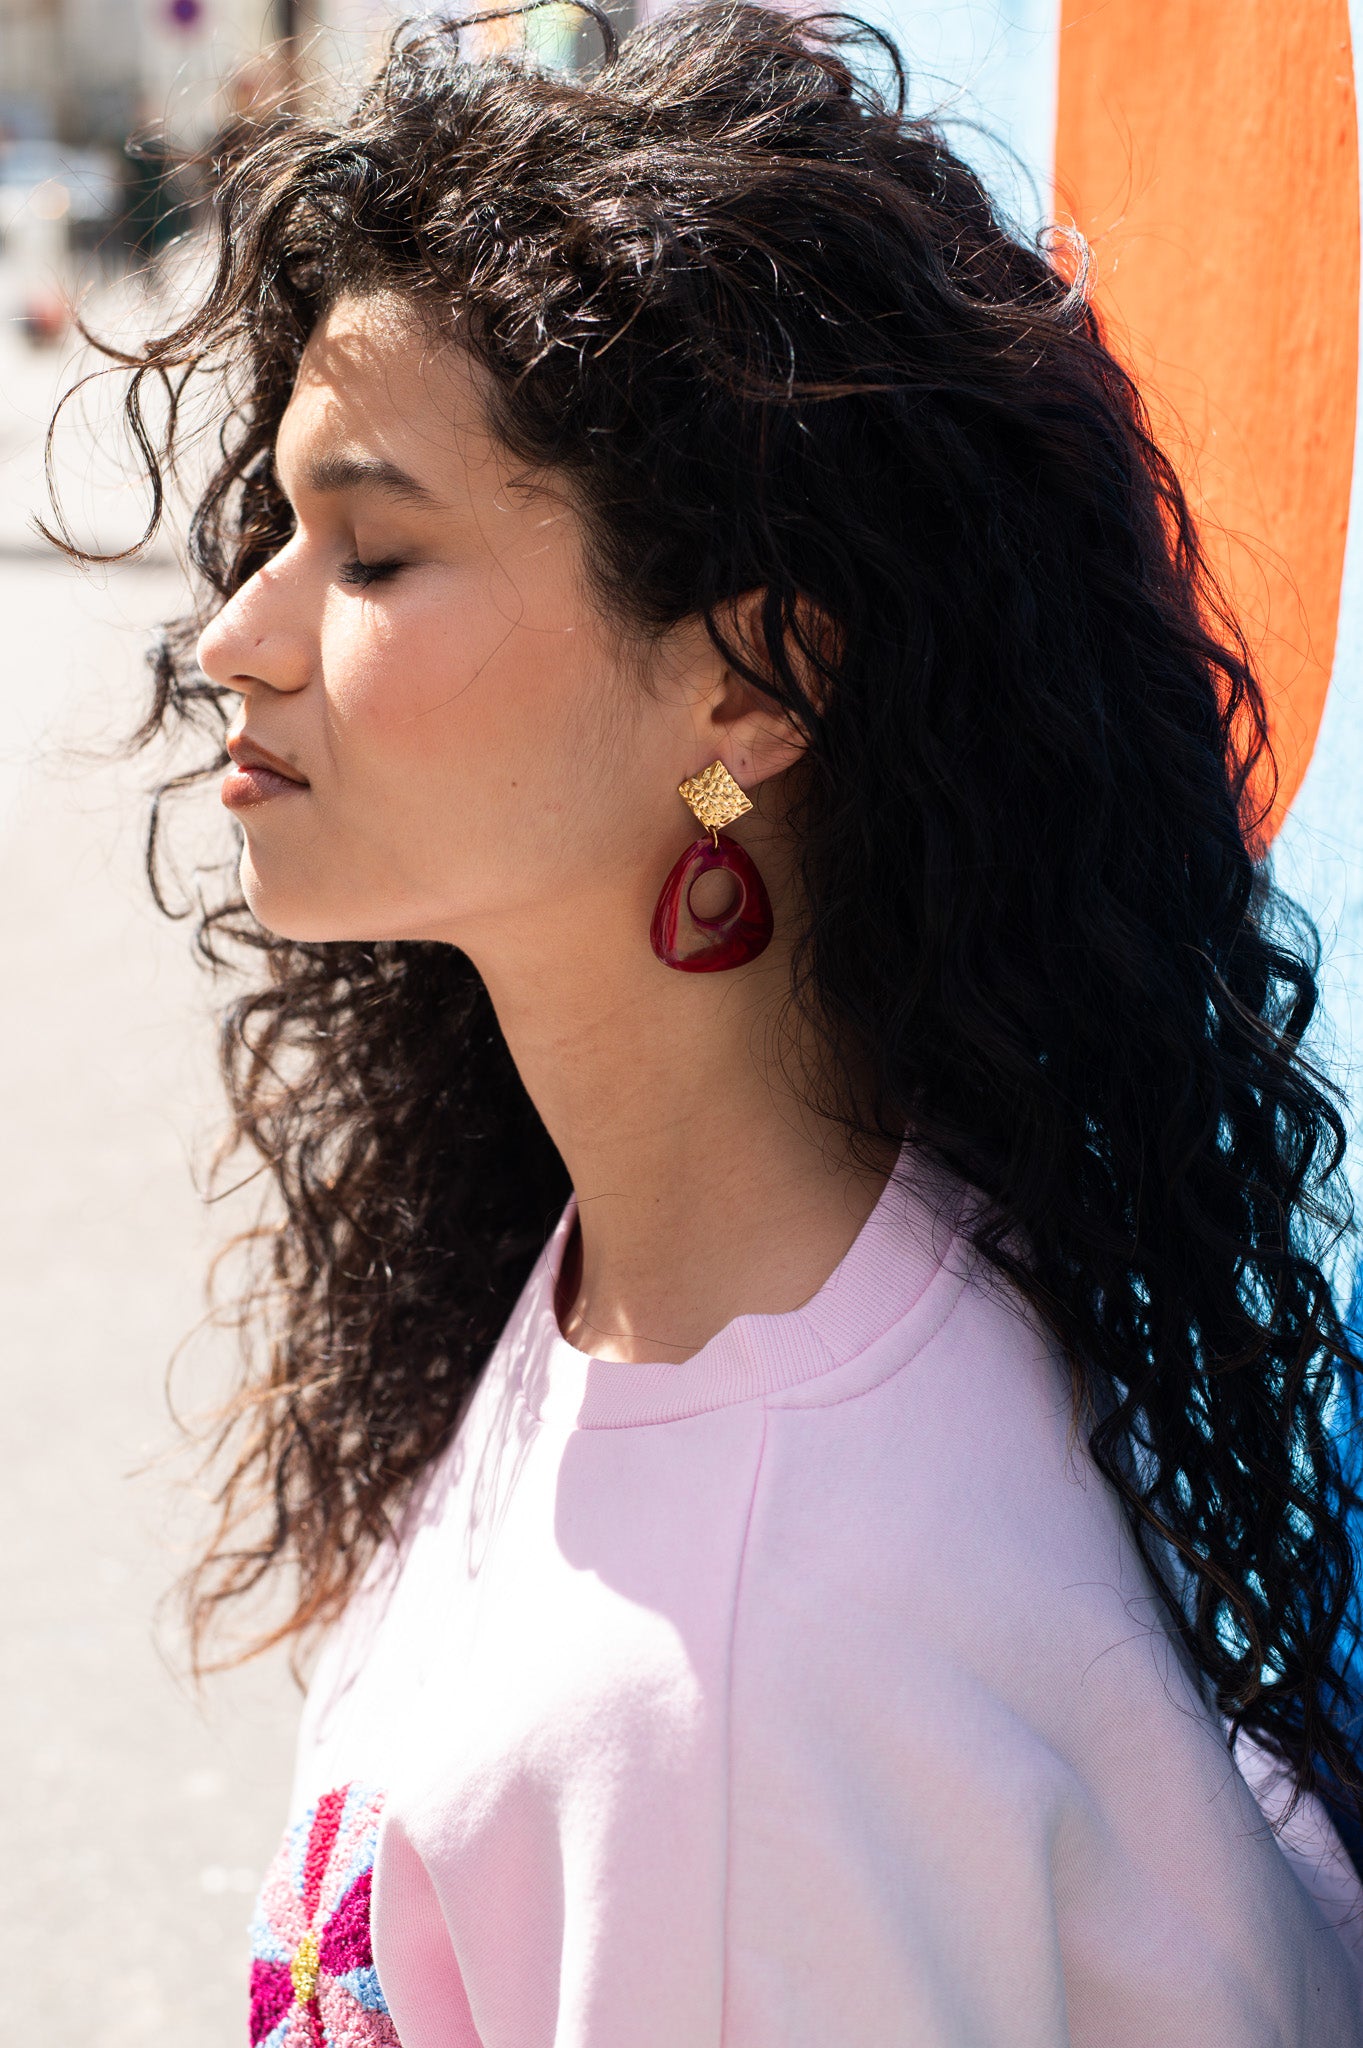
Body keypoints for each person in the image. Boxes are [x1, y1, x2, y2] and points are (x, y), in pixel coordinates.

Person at [51, 3, 1363, 2040]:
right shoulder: (712, 1283)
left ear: (745, 687)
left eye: (373, 551)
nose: (235, 634)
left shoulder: (752, 1673)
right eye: (282, 533)